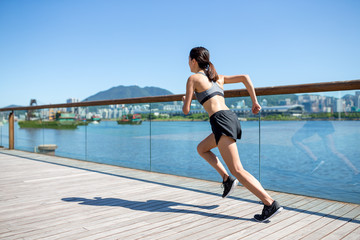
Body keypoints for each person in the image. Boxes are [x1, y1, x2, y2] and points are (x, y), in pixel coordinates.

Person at [182, 46, 283, 222]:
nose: (187, 64)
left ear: (193, 61)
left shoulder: (192, 78)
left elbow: (186, 110)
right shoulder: (217, 77)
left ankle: (270, 203)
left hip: (220, 121)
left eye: (188, 61)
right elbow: (246, 77)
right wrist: (255, 102)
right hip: (229, 118)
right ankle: (227, 180)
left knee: (237, 168)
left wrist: (185, 100)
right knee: (202, 148)